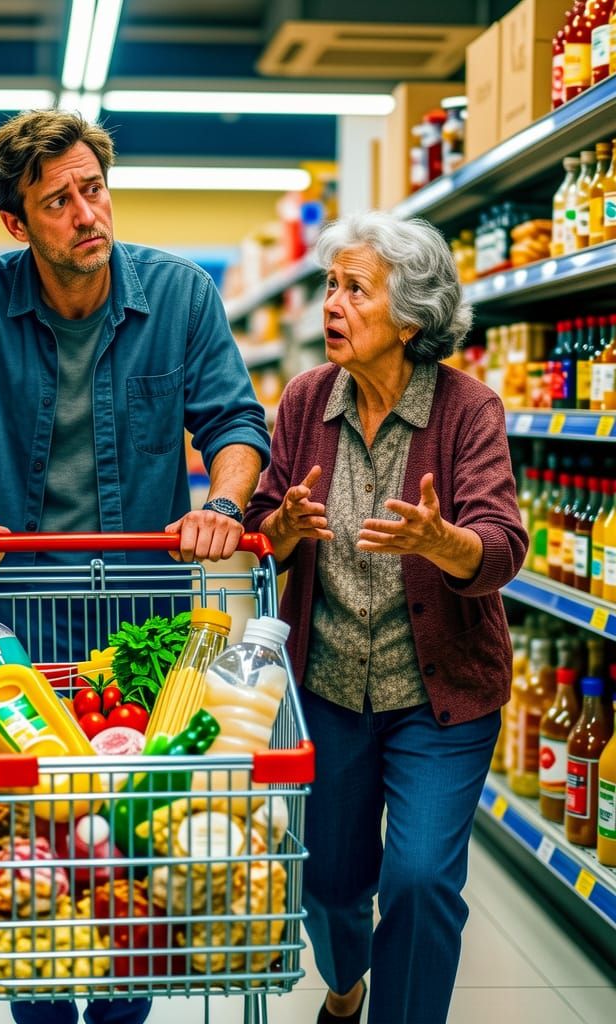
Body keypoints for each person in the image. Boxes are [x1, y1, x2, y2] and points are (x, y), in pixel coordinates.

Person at [0, 109, 270, 1024]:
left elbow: (235, 424)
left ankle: (121, 1008)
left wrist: (221, 504)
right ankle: (42, 1002)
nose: (86, 213)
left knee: (129, 858)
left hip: (142, 628)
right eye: (57, 201)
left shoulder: (181, 297)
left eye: (93, 189)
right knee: (35, 863)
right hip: (13, 628)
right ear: (18, 224)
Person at [244, 211, 527, 1024]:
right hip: (326, 688)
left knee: (419, 880)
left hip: (441, 699)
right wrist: (284, 530)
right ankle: (344, 982)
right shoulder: (303, 402)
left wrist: (444, 542)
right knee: (328, 885)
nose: (331, 303)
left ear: (411, 316)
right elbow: (264, 528)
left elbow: (504, 545)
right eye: (330, 285)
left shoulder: (469, 411)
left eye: (354, 289)